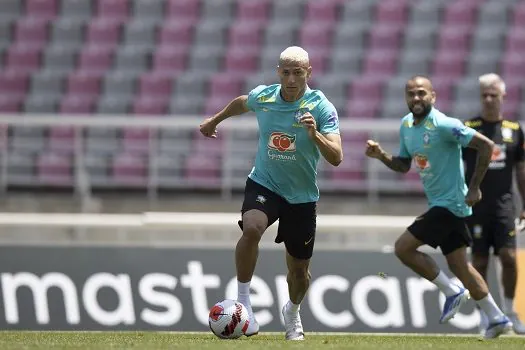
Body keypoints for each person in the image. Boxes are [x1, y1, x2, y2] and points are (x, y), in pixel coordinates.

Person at [199, 46, 343, 340]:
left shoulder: (321, 107)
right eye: (286, 72)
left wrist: (314, 135)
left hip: (301, 196)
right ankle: (244, 301)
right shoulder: (264, 96)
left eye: (298, 72)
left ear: (309, 72)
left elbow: (337, 156)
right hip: (264, 182)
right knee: (252, 228)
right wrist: (214, 120)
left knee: (300, 273)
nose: (291, 79)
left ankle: (292, 311)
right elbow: (242, 102)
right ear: (279, 72)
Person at [365, 75, 512, 339]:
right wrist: (381, 156)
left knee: (403, 248)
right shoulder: (407, 125)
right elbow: (403, 165)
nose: (416, 98)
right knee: (460, 266)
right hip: (440, 204)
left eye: (422, 93)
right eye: (411, 94)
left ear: (433, 96)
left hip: (450, 204)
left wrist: (475, 186)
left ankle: (451, 291)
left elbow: (487, 146)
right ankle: (496, 317)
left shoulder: (445, 124)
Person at [462, 73, 525, 335]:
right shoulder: (468, 127)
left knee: (509, 258)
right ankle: (485, 315)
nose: (488, 99)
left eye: (493, 95)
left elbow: (521, 169)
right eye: (484, 95)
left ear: (503, 97)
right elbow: (456, 165)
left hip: (504, 205)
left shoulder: (514, 129)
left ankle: (511, 312)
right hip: (475, 205)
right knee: (479, 260)